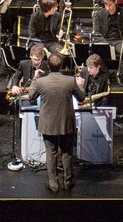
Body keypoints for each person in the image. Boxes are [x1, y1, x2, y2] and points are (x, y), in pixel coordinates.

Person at [28, 53, 85, 192]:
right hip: (66, 122)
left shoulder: (40, 82)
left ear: (48, 66)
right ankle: (68, 181)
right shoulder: (70, 80)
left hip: (49, 123)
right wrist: (81, 86)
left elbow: (30, 97)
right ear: (61, 66)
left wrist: (35, 78)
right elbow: (82, 98)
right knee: (67, 153)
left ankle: (53, 184)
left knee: (51, 153)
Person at [93, 0, 123, 84]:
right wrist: (106, 44)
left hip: (118, 40)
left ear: (115, 2)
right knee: (95, 56)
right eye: (106, 5)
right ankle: (107, 75)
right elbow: (96, 33)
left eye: (110, 5)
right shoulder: (99, 14)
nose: (108, 8)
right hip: (105, 40)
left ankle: (119, 73)